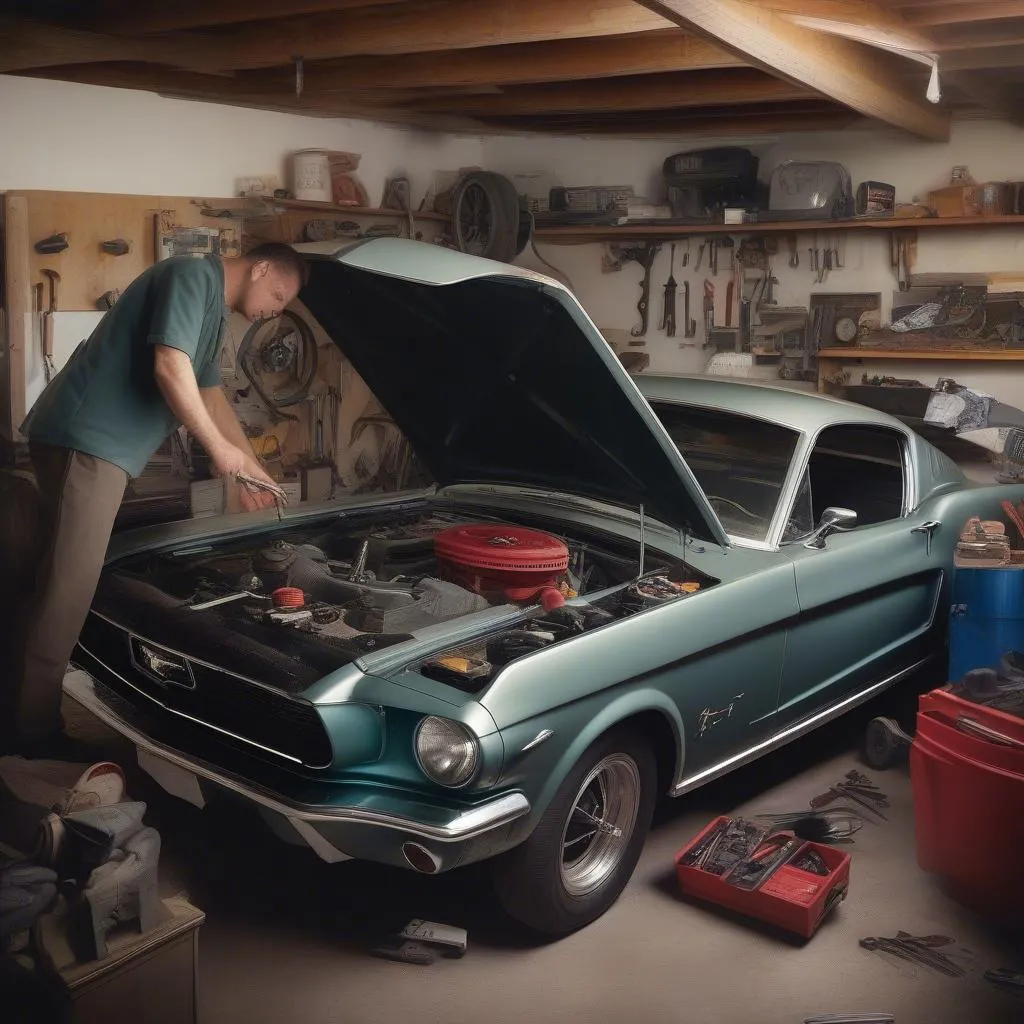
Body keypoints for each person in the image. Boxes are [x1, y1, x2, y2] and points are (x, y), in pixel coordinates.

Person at [5, 242, 306, 757]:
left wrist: (250, 465)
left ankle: (15, 714)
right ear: (259, 268)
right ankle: (31, 737)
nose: (276, 310)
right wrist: (218, 453)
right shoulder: (192, 276)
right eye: (278, 294)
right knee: (67, 593)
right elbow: (170, 365)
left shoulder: (213, 310)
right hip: (88, 442)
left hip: (94, 445)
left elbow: (209, 394)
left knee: (50, 582)